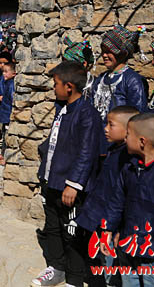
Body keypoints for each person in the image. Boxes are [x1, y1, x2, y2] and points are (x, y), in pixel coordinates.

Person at [32, 61, 103, 287]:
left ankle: (75, 278)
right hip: (52, 180)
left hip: (70, 186)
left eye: (56, 84)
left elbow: (86, 152)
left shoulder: (87, 114)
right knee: (53, 227)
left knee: (72, 232)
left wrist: (74, 184)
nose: (54, 88)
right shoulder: (61, 109)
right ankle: (57, 268)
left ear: (69, 87)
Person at [101, 113, 154, 287]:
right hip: (128, 246)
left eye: (128, 135)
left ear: (142, 141)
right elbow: (117, 201)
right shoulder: (130, 168)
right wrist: (108, 229)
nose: (125, 138)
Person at [76, 106, 139, 287]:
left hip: (112, 223)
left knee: (112, 268)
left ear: (128, 130)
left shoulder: (128, 160)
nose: (105, 128)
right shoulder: (113, 150)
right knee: (104, 263)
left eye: (111, 125)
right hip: (101, 218)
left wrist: (115, 228)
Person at [91, 25, 148, 151]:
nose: (104, 55)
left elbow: (137, 115)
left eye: (109, 52)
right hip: (96, 143)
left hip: (119, 146)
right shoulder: (100, 79)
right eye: (103, 51)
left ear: (123, 53)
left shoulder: (132, 80)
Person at [0, 59, 16, 166]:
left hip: (7, 114)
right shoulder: (7, 83)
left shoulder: (11, 85)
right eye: (3, 72)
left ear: (14, 73)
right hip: (5, 113)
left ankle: (5, 157)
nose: (4, 74)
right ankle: (3, 154)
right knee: (5, 135)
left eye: (6, 72)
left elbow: (12, 98)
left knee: (7, 137)